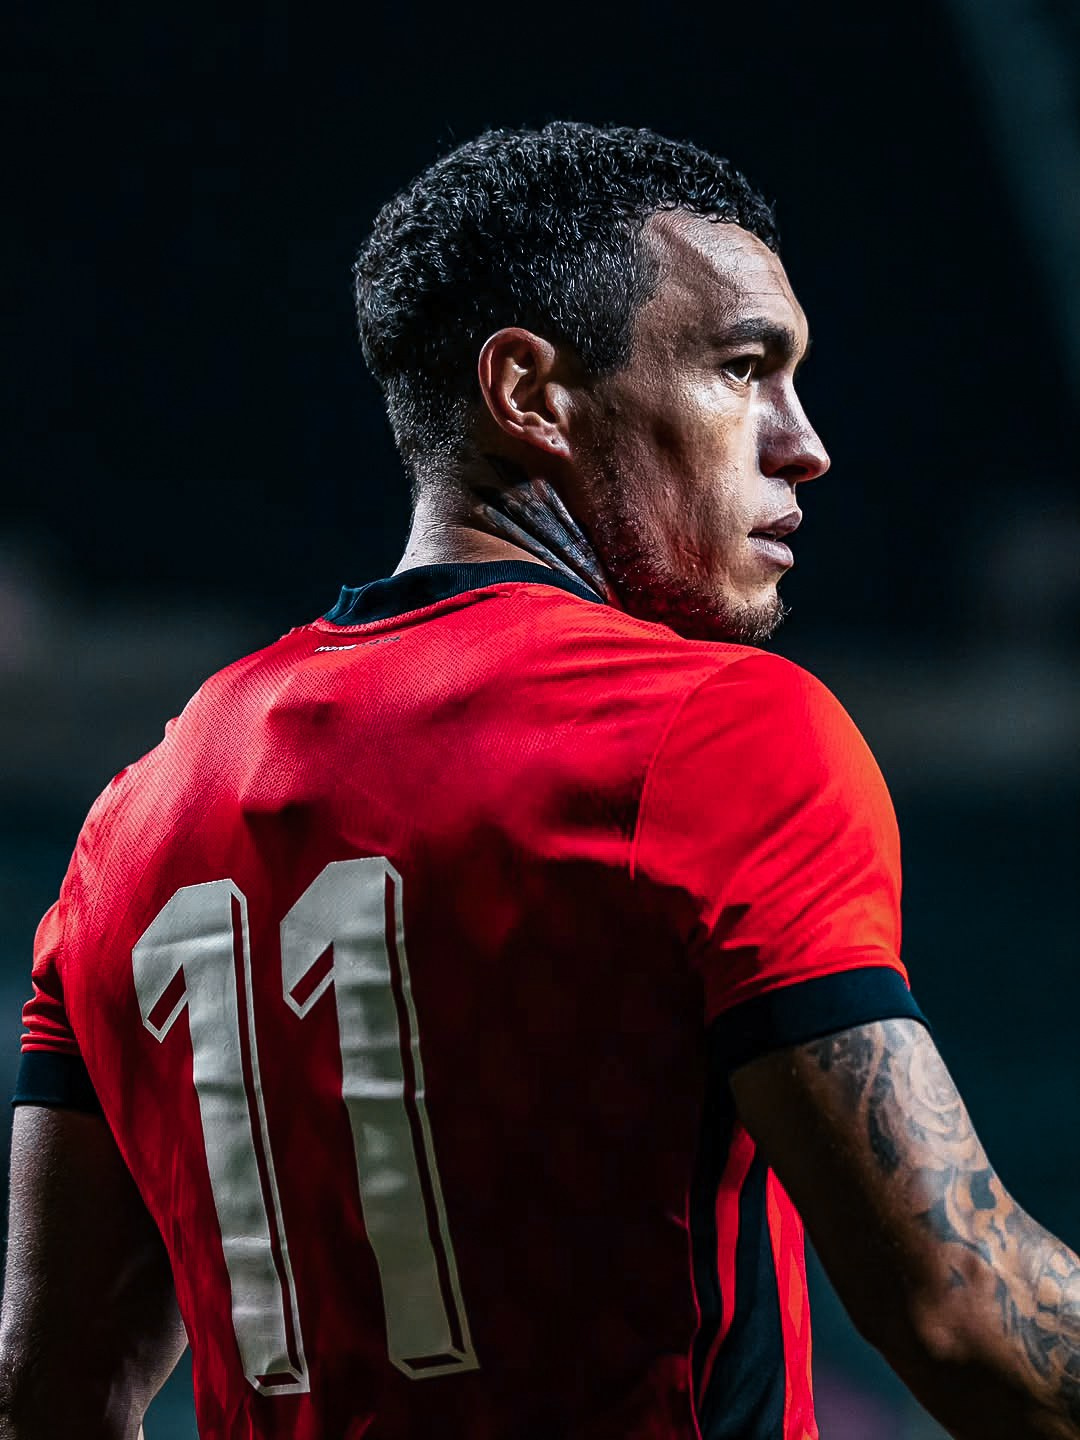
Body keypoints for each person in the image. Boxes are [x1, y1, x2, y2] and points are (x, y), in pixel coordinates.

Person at [1, 122, 1077, 1440]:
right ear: (531, 393)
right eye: (745, 370)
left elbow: (47, 1392)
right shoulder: (715, 734)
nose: (804, 445)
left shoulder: (133, 823)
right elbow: (962, 1316)